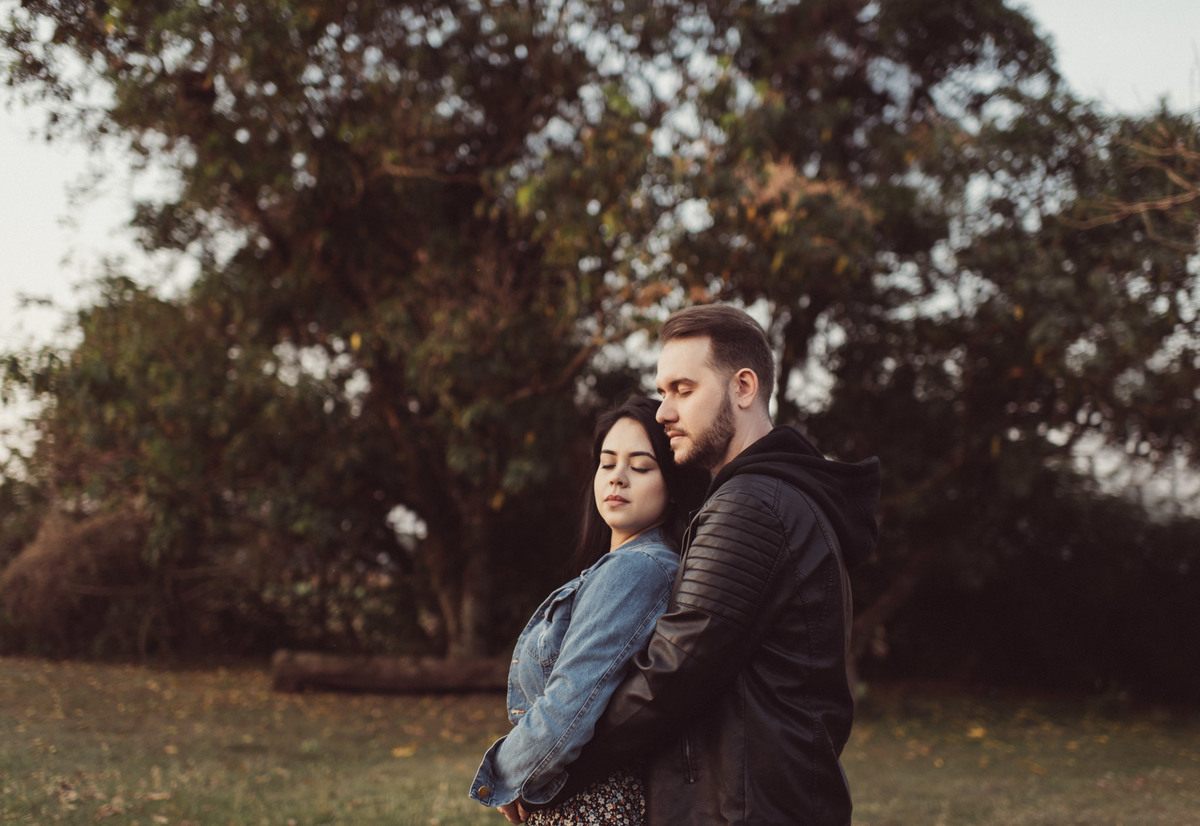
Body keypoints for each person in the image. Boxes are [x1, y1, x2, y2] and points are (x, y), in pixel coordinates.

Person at [542, 304, 882, 825]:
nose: (663, 412)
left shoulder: (753, 506)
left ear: (743, 388)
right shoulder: (769, 497)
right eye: (662, 392)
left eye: (683, 389)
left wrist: (552, 764)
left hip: (744, 811)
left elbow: (673, 671)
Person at [468, 396, 708, 825]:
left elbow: (571, 697)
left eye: (640, 467)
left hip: (589, 805)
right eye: (607, 462)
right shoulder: (622, 567)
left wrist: (507, 770)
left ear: (673, 488)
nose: (617, 478)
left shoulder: (637, 568)